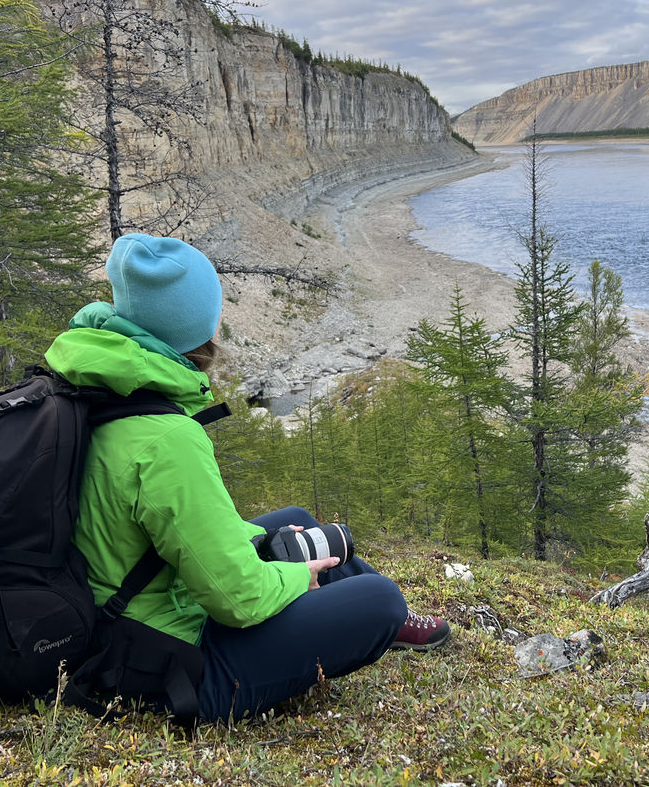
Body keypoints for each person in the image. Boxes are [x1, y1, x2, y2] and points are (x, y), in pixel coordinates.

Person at [45, 232, 450, 722]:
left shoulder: (96, 383)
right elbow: (237, 600)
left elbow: (159, 531)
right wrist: (297, 578)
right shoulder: (166, 440)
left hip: (110, 610)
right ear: (194, 326)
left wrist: (262, 539)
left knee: (292, 523)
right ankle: (386, 615)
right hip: (156, 660)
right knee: (378, 600)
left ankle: (392, 618)